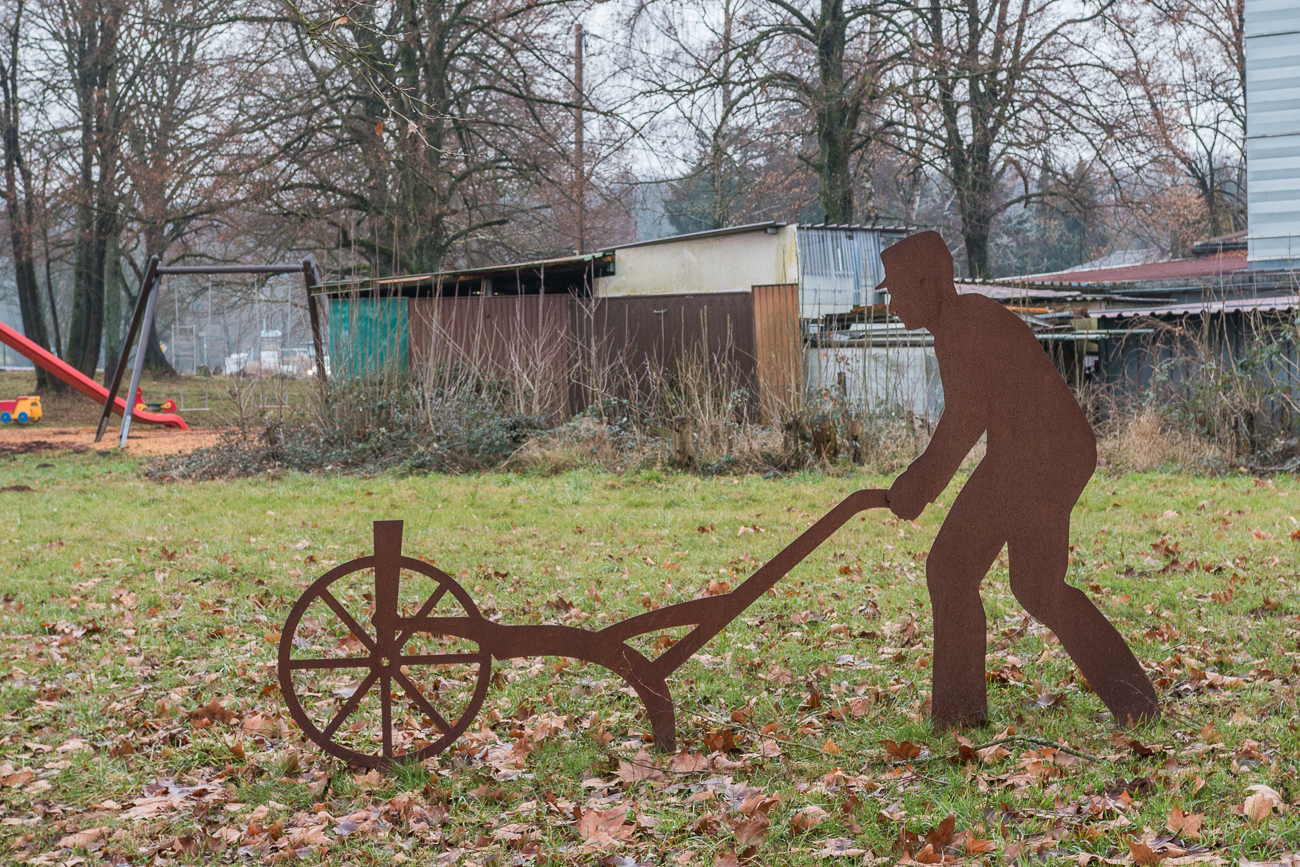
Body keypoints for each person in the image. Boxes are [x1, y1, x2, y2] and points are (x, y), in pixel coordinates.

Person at [877, 231, 1160, 728]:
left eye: (898, 289)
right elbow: (974, 416)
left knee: (952, 568)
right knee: (1036, 586)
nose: (893, 302)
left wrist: (919, 485)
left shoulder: (967, 324)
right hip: (1039, 452)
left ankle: (961, 713)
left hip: (1039, 456)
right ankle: (1135, 699)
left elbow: (965, 419)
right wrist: (921, 482)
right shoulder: (958, 324)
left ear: (929, 282)